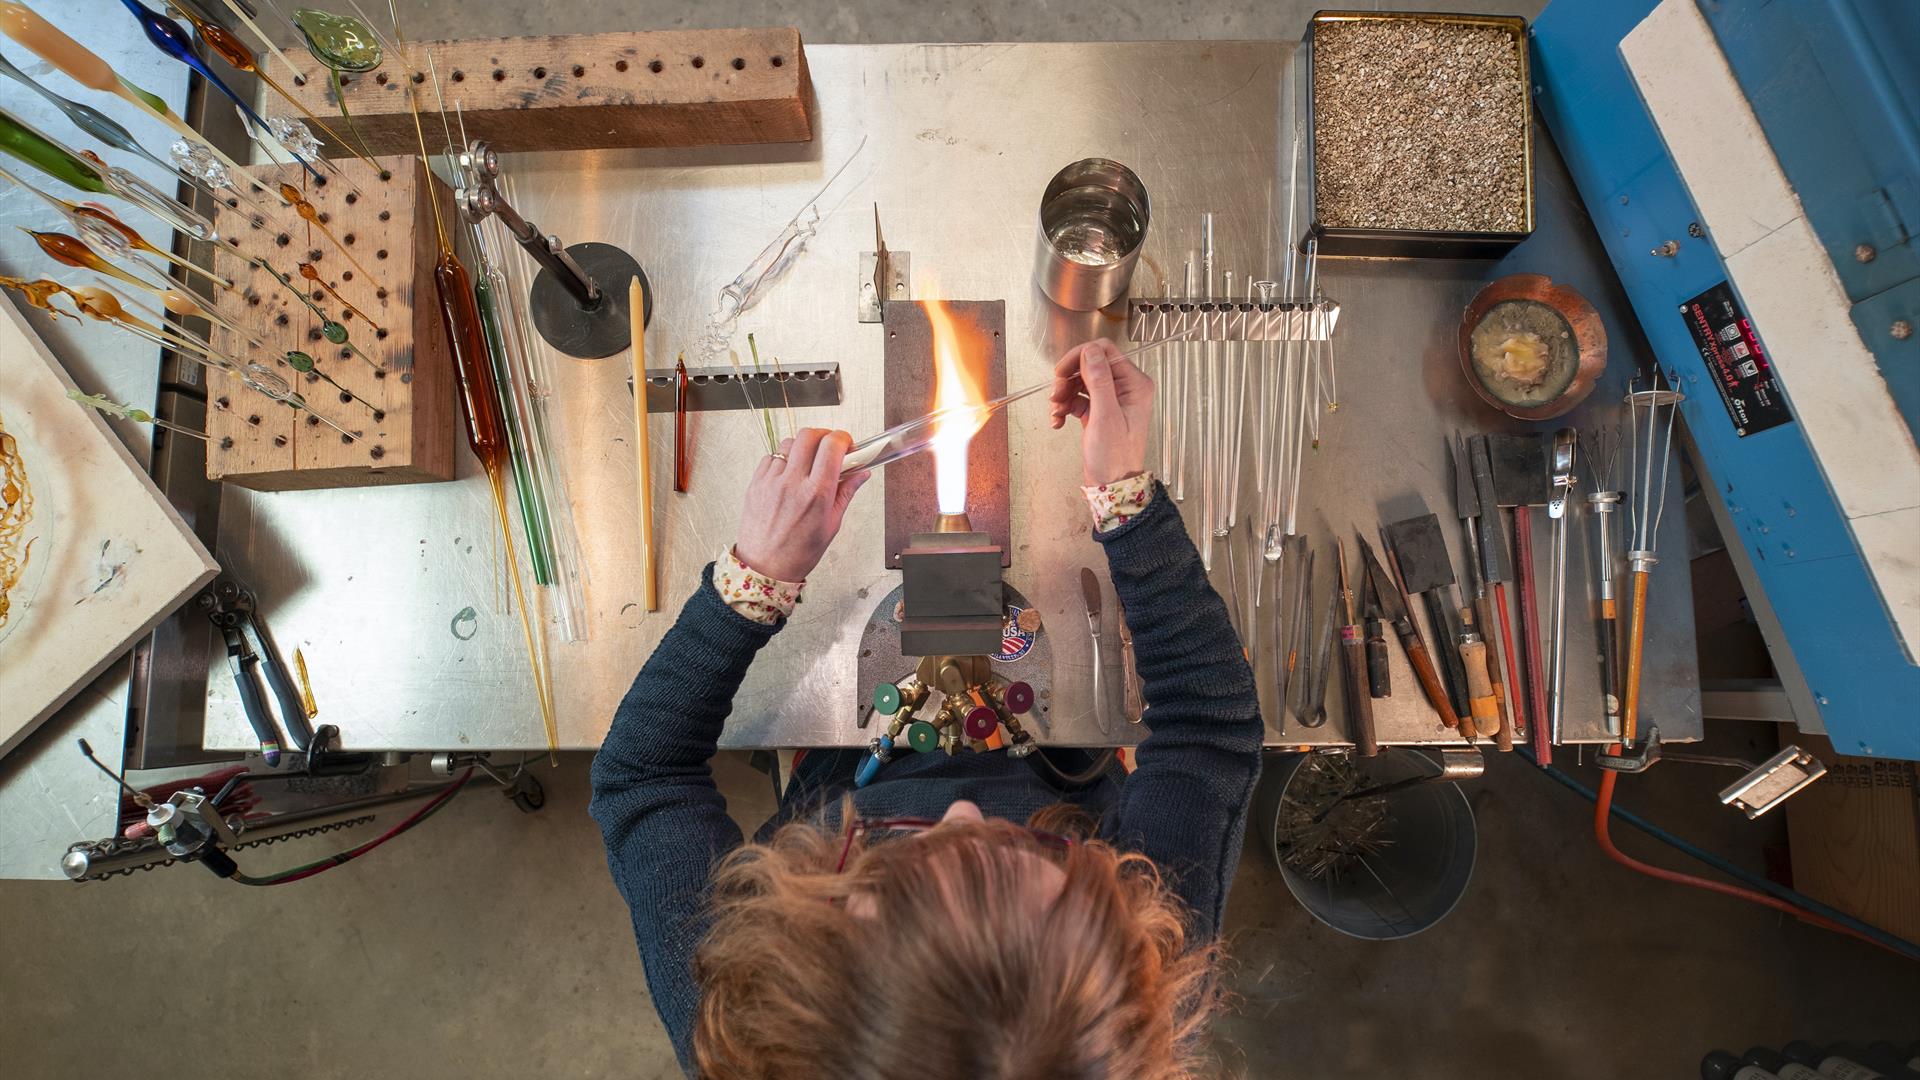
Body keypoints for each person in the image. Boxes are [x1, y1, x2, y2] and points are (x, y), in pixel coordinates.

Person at [591, 338, 1262, 1078]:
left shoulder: (744, 1008)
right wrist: (1126, 500)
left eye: (899, 862)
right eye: (1034, 855)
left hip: (841, 775)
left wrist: (755, 579)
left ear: (805, 942)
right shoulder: (1122, 997)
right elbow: (1208, 728)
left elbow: (643, 778)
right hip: (1057, 770)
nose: (966, 813)